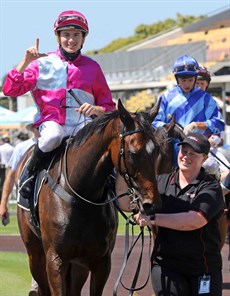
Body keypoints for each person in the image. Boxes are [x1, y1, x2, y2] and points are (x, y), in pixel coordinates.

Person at [2, 10, 116, 199]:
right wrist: (25, 62)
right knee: (52, 136)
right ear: (58, 37)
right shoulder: (40, 64)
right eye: (66, 35)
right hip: (52, 124)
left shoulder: (93, 67)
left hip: (84, 126)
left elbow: (109, 107)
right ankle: (28, 175)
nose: (71, 40)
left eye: (76, 35)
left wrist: (96, 109)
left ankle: (118, 189)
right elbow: (9, 90)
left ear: (83, 38)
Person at [133, 132, 225, 296]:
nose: (186, 156)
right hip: (167, 266)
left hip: (203, 269)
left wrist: (152, 219)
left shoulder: (211, 188)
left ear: (204, 158)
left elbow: (193, 221)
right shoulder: (160, 182)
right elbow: (127, 204)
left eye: (193, 153)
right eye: (184, 151)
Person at [151, 55, 225, 167]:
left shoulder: (205, 98)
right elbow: (154, 123)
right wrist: (171, 128)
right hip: (168, 154)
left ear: (195, 78)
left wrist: (198, 125)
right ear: (177, 79)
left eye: (190, 80)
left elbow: (219, 124)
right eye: (183, 80)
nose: (187, 84)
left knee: (212, 168)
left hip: (197, 152)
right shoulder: (165, 97)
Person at [0, 123, 40, 296]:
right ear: (32, 128)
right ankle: (37, 284)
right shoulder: (22, 147)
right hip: (28, 204)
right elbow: (10, 175)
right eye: (37, 126)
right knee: (36, 246)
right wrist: (3, 204)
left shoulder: (63, 142)